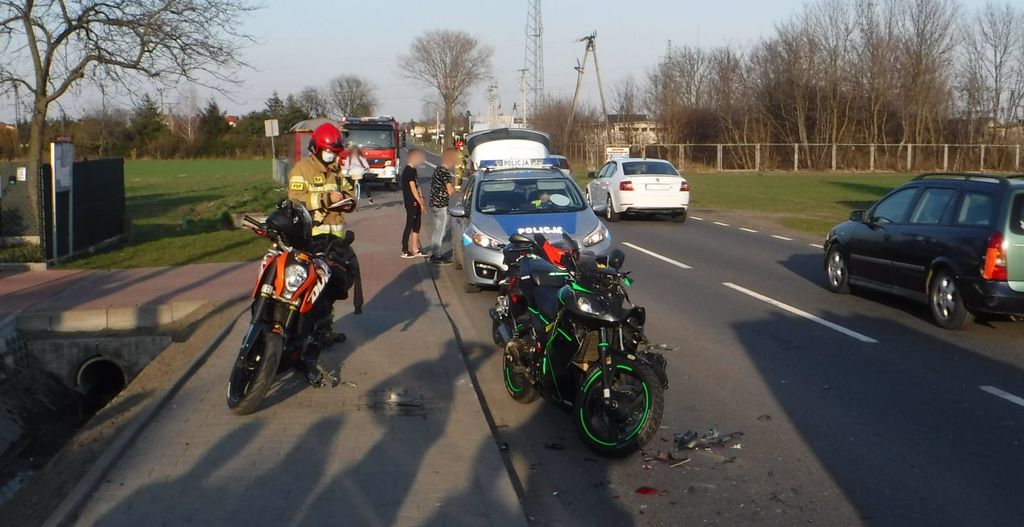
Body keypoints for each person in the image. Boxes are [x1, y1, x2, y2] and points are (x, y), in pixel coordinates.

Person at [287, 122, 363, 385]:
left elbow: (350, 196)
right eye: (329, 152)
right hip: (311, 241)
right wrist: (323, 201)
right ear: (317, 148)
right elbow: (295, 200)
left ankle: (324, 332)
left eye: (335, 152)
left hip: (334, 242)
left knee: (330, 292)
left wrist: (348, 197)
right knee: (311, 294)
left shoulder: (337, 170)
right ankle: (300, 341)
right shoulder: (302, 169)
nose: (333, 156)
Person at [428, 149, 458, 264]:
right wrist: (454, 189)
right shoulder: (445, 172)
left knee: (437, 229)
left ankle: (434, 253)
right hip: (441, 204)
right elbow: (450, 190)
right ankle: (437, 255)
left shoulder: (437, 169)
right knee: (441, 230)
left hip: (434, 203)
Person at [401, 148, 427, 258]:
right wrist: (419, 202)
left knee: (417, 225)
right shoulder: (408, 171)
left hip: (417, 200)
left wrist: (421, 198)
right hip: (411, 201)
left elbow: (417, 185)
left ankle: (415, 248)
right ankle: (405, 249)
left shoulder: (414, 170)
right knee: (410, 224)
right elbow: (412, 188)